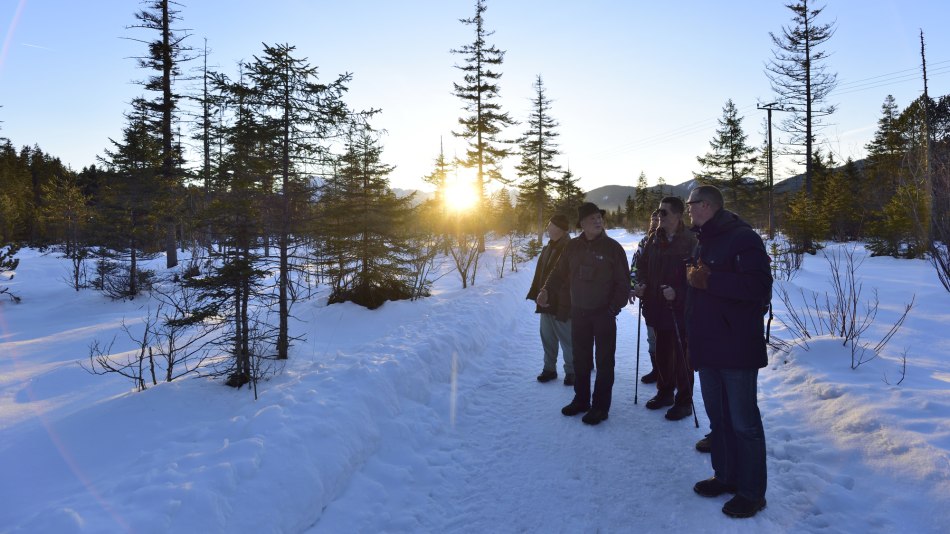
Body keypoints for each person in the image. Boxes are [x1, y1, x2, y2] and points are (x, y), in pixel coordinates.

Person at [684, 185, 772, 519]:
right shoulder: (703, 239)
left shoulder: (743, 238)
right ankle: (725, 476)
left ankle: (752, 493)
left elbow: (758, 287)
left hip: (736, 347)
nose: (688, 210)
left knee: (744, 423)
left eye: (692, 205)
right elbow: (698, 289)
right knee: (719, 419)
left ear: (706, 205)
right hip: (708, 346)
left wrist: (711, 281)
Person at [535, 202, 630, 425]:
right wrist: (546, 290)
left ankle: (600, 407)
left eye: (599, 217)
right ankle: (581, 400)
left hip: (604, 314)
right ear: (582, 224)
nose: (598, 221)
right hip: (579, 313)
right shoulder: (573, 247)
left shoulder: (613, 248)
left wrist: (613, 309)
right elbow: (558, 273)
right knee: (581, 360)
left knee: (604, 361)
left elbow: (623, 284)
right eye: (592, 218)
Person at [631, 197, 697, 421]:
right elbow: (642, 265)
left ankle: (684, 402)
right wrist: (640, 284)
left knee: (682, 359)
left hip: (681, 311)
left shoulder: (691, 241)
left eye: (664, 213)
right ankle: (665, 392)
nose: (659, 216)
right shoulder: (654, 239)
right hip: (656, 308)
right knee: (661, 354)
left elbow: (699, 281)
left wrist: (678, 292)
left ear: (678, 216)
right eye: (658, 212)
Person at [526, 214, 574, 386]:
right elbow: (540, 274)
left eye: (550, 225)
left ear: (559, 229)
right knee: (547, 337)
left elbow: (569, 278)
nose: (547, 227)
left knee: (567, 339)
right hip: (545, 301)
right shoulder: (549, 247)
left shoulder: (570, 248)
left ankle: (572, 371)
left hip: (562, 303)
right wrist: (537, 293)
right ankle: (549, 369)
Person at [629, 209, 660, 384]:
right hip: (649, 298)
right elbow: (635, 266)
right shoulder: (644, 242)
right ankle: (657, 371)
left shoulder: (672, 241)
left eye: (658, 219)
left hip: (668, 299)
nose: (655, 222)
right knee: (652, 336)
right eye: (652, 219)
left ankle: (673, 373)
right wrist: (634, 286)